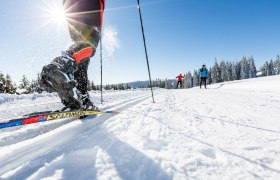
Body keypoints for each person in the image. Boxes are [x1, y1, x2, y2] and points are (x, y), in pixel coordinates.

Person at [40, 0, 106, 111]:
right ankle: (60, 67)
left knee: (82, 58)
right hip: (91, 5)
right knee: (89, 45)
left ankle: (82, 99)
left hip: (70, 7)